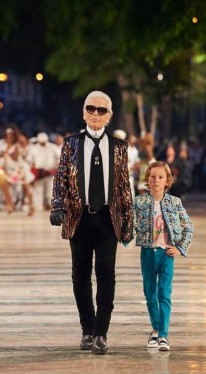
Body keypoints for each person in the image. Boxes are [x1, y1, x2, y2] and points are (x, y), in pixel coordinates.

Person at [50, 90, 133, 355]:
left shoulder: (120, 148)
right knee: (80, 276)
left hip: (109, 218)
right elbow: (60, 177)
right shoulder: (71, 144)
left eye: (101, 110)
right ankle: (87, 329)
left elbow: (124, 186)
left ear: (109, 116)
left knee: (107, 275)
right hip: (79, 217)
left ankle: (101, 333)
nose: (95, 114)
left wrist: (128, 221)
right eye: (90, 108)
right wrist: (57, 206)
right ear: (84, 111)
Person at [132, 161, 194, 351]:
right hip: (147, 253)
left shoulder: (174, 203)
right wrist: (123, 236)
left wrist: (180, 248)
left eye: (160, 177)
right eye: (152, 177)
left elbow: (188, 226)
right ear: (147, 180)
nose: (156, 181)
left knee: (164, 294)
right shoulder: (139, 202)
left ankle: (163, 335)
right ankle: (156, 329)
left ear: (167, 180)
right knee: (150, 294)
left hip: (167, 254)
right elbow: (129, 224)